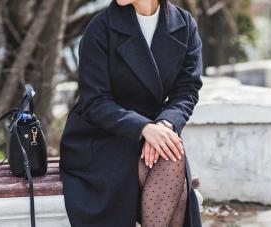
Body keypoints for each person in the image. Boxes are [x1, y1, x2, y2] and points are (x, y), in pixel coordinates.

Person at [58, 0, 203, 226]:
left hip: (156, 128)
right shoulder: (100, 27)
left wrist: (165, 125)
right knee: (175, 176)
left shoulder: (184, 25)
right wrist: (143, 128)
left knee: (171, 155)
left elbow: (187, 90)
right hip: (100, 134)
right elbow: (95, 101)